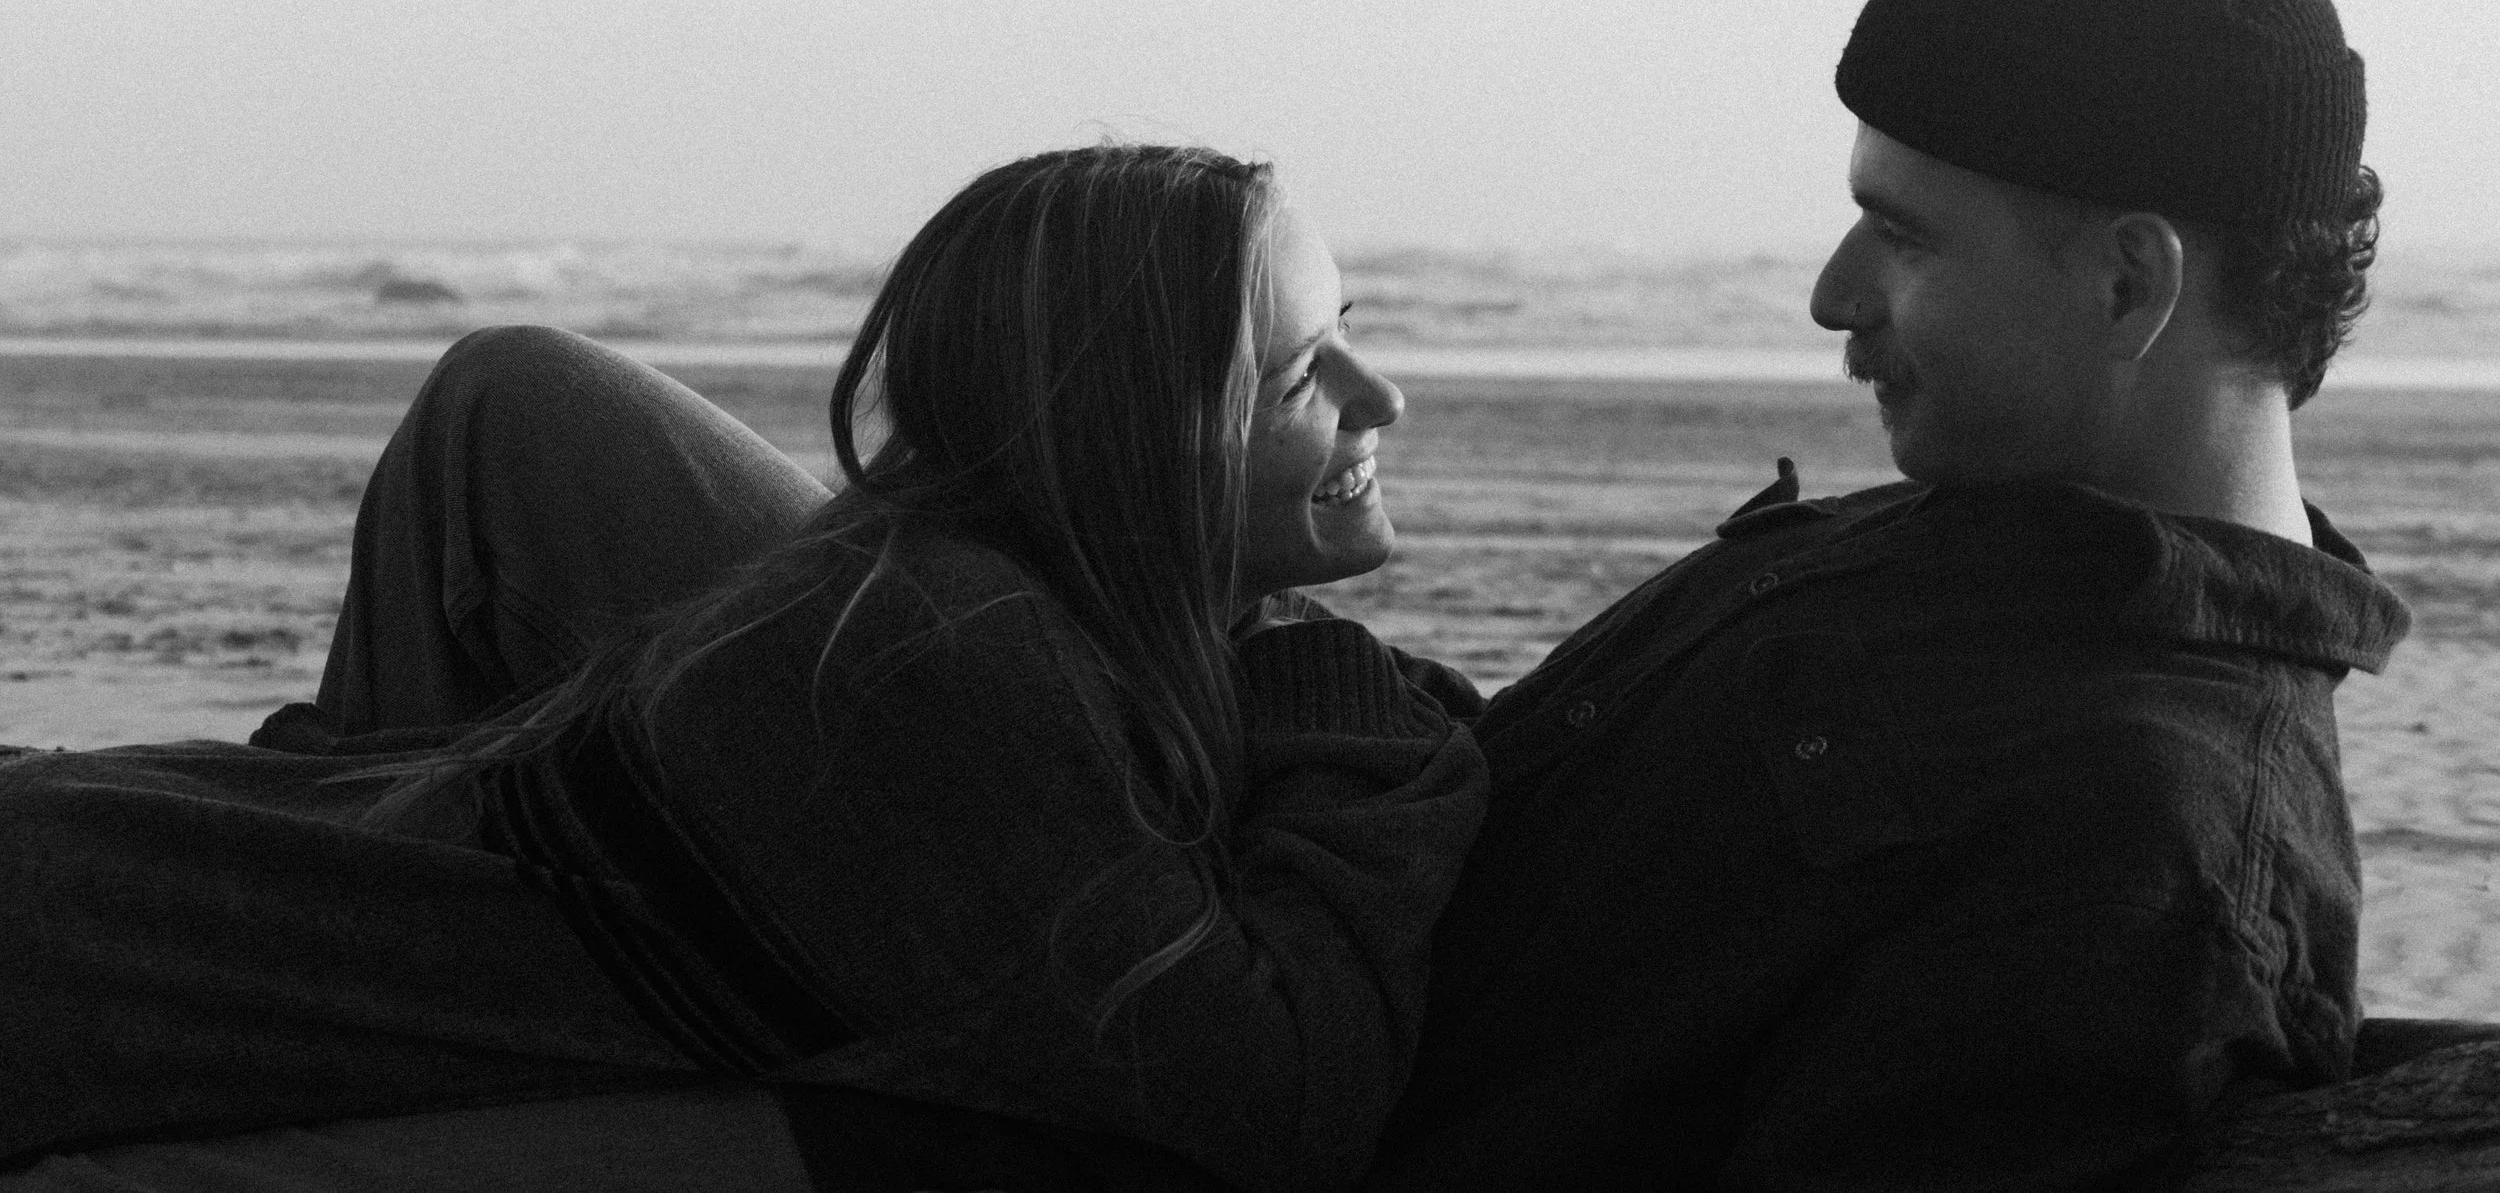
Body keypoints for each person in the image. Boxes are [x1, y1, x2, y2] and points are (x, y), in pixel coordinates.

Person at [0, 144, 1490, 1192]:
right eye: (1305, 372)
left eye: (1349, 335)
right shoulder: (948, 659)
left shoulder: (965, 605)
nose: (1387, 394)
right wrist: (1367, 738)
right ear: (1125, 435)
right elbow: (1280, 1103)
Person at [1360, 0, 2409, 1190]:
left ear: (2127, 282)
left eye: (1902, 234)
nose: (1831, 294)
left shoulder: (2134, 853)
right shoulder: (1980, 535)